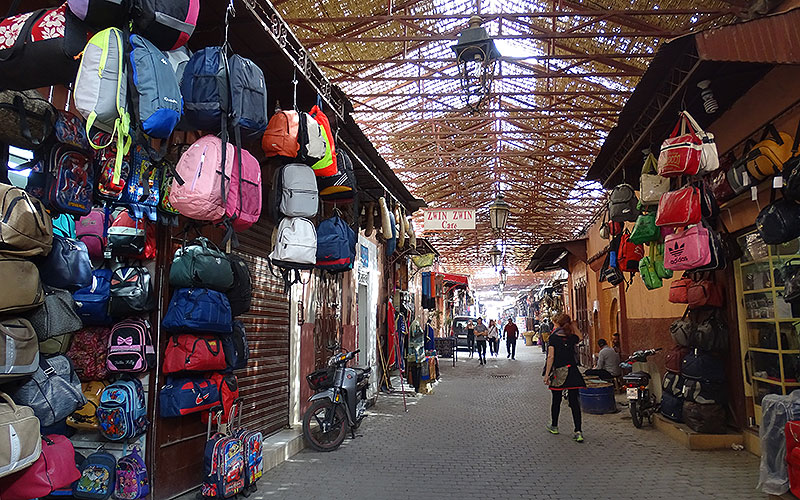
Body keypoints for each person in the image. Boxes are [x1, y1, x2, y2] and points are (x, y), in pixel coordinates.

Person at [543, 313, 586, 443]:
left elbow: (550, 357)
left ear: (558, 324)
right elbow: (580, 337)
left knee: (556, 400)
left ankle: (554, 426)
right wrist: (574, 326)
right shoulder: (571, 337)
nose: (553, 325)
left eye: (555, 323)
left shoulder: (553, 338)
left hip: (559, 373)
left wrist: (546, 374)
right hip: (573, 372)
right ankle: (578, 431)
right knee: (574, 403)